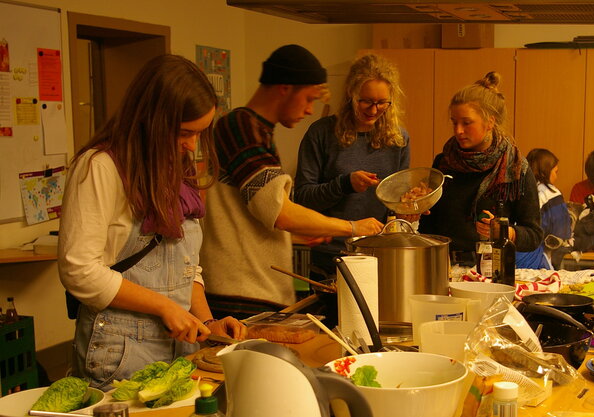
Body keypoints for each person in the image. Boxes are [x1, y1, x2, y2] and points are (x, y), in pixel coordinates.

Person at [57, 55, 247, 389]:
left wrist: (206, 322)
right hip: (120, 355)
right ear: (152, 121)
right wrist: (163, 306)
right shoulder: (100, 168)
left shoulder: (176, 168)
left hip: (179, 351)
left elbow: (185, 266)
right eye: (185, 133)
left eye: (199, 134)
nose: (191, 145)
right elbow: (79, 270)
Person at [201, 45, 383, 307]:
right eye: (309, 98)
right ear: (284, 88)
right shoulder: (240, 126)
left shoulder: (257, 130)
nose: (310, 110)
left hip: (255, 290)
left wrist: (292, 236)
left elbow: (252, 212)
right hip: (240, 295)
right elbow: (281, 212)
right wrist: (353, 227)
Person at [294, 54, 409, 278]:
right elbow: (302, 197)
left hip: (378, 254)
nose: (374, 110)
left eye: (382, 103)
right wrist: (344, 184)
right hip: (330, 256)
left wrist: (411, 208)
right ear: (351, 94)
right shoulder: (321, 133)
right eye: (366, 101)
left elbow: (397, 204)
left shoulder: (398, 139)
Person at [419, 72, 543, 267]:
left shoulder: (515, 167)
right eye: (454, 122)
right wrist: (415, 209)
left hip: (491, 270)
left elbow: (534, 235)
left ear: (490, 122)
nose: (458, 130)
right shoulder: (444, 162)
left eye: (466, 123)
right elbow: (428, 227)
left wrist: (505, 231)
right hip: (443, 268)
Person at [516, 148, 571, 270]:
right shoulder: (551, 193)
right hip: (531, 257)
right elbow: (562, 232)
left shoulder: (518, 187)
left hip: (508, 253)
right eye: (556, 172)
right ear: (545, 172)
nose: (556, 177)